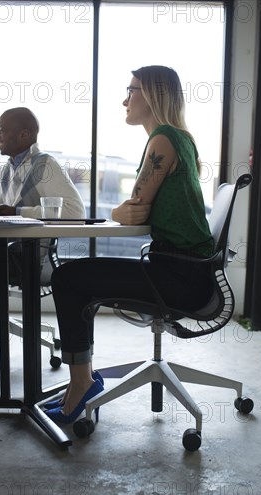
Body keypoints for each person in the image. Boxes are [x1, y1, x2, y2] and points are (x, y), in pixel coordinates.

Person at [45, 65, 214, 424]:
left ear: (153, 96)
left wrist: (126, 208)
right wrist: (128, 209)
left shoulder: (164, 139)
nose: (125, 100)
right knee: (74, 277)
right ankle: (82, 383)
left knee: (67, 279)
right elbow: (134, 210)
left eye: (131, 90)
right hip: (184, 272)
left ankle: (82, 386)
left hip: (179, 278)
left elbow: (134, 210)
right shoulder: (176, 138)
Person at [0, 107, 85, 285]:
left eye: (3, 130)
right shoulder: (9, 168)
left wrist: (17, 211)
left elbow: (77, 213)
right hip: (4, 250)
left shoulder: (45, 165)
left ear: (23, 135)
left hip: (28, 259)